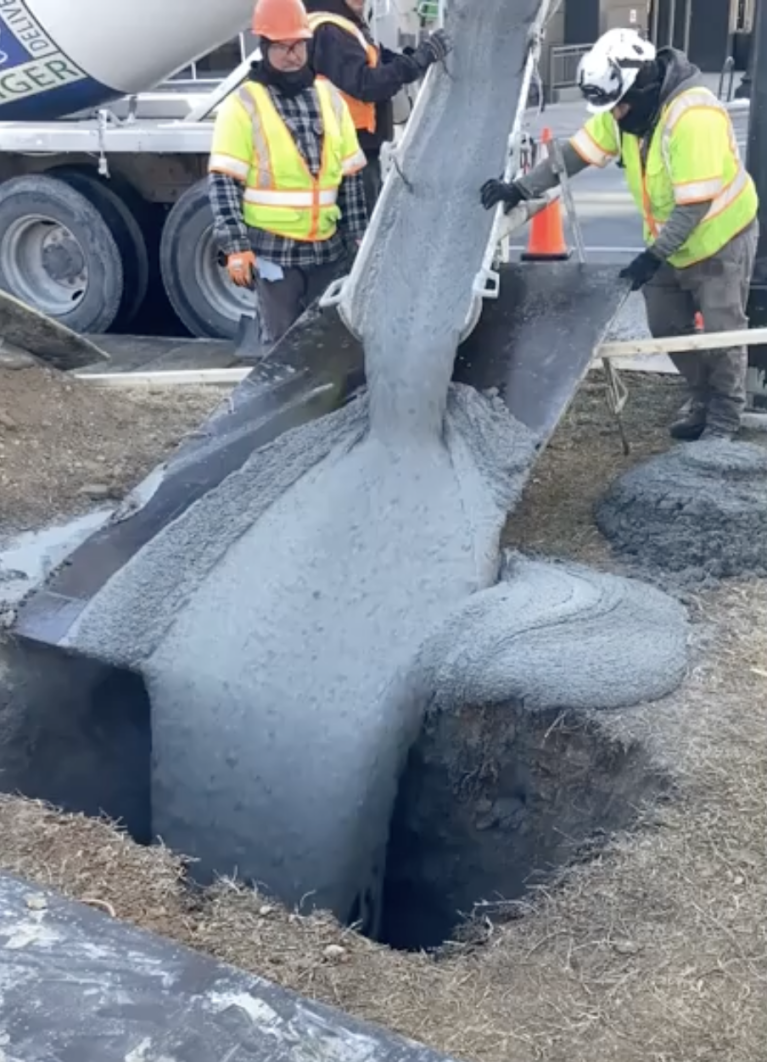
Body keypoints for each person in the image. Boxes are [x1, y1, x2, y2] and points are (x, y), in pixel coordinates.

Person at [480, 29, 759, 442]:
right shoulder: (628, 112)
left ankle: (724, 417)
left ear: (643, 83)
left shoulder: (693, 117)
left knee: (722, 331)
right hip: (672, 243)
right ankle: (702, 396)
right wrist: (521, 189)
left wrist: (652, 257)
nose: (616, 115)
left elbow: (694, 206)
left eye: (620, 107)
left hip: (719, 238)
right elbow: (576, 153)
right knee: (666, 325)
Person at [208, 0, 368, 348]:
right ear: (264, 46)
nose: (292, 54)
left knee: (328, 342)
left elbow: (351, 176)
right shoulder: (243, 105)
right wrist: (236, 246)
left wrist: (360, 237)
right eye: (281, 46)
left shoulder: (330, 98)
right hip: (274, 251)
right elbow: (223, 183)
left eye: (298, 45)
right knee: (282, 346)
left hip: (329, 250)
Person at [304, 0, 452, 212]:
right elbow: (367, 84)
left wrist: (413, 59)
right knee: (363, 229)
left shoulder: (337, 24)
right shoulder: (330, 30)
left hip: (346, 147)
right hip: (348, 151)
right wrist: (418, 61)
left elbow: (378, 60)